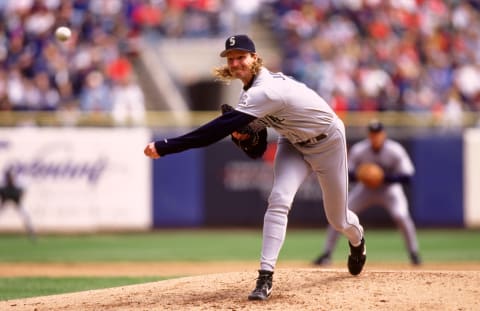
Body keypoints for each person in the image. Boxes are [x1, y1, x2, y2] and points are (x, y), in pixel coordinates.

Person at [144, 34, 366, 301]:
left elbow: (211, 133)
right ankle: (265, 276)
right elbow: (258, 150)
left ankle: (357, 241)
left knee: (338, 219)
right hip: (293, 142)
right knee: (279, 199)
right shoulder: (248, 94)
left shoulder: (266, 90)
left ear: (255, 58)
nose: (236, 62)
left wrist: (167, 146)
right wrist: (246, 137)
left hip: (328, 141)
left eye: (241, 57)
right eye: (231, 58)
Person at [313, 120, 421, 266]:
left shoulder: (395, 150)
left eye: (378, 133)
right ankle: (326, 254)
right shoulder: (360, 150)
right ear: (369, 135)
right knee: (340, 215)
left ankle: (414, 254)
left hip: (389, 190)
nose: (375, 136)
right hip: (365, 189)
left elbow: (408, 177)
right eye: (372, 134)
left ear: (383, 134)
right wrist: (361, 175)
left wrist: (383, 177)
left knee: (401, 216)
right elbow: (346, 173)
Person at [0, 169, 36, 241]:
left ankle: (31, 234)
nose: (10, 178)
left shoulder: (18, 183)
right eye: (9, 177)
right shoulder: (2, 184)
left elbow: (23, 191)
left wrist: (19, 197)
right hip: (5, 200)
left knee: (26, 215)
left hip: (16, 201)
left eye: (11, 176)